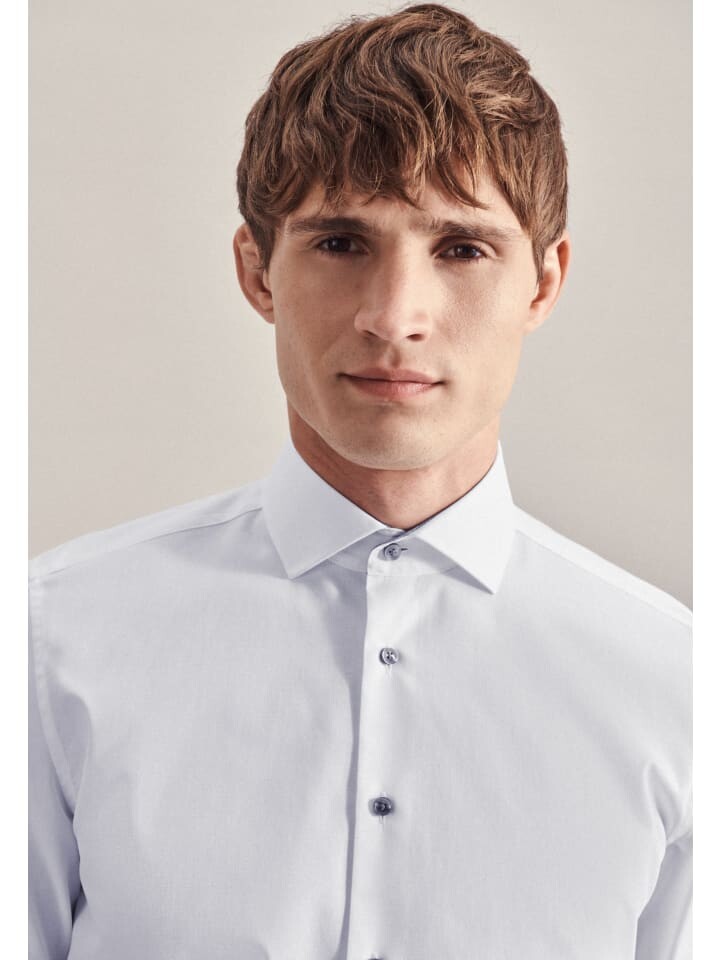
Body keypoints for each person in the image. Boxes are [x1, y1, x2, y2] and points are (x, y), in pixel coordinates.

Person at [29, 4, 691, 958]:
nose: (394, 316)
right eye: (341, 242)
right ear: (258, 272)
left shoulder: (678, 686)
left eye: (462, 248)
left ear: (543, 283)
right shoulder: (51, 645)